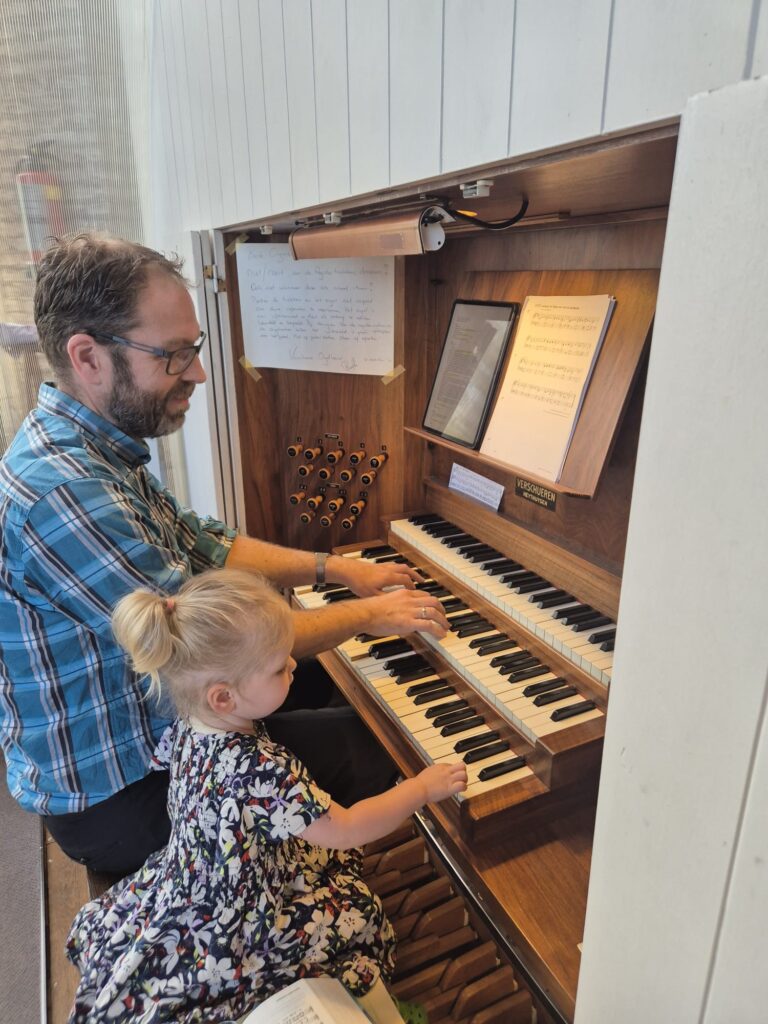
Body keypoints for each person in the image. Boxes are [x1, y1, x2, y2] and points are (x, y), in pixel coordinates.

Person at [0, 232, 450, 876]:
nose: (199, 374)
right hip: (126, 791)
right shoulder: (63, 492)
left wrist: (334, 569)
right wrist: (369, 615)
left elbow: (203, 540)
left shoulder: (94, 448)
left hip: (177, 719)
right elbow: (214, 642)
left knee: (369, 685)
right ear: (88, 357)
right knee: (384, 742)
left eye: (196, 349)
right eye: (175, 355)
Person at [66, 568, 466, 1023]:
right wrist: (420, 788)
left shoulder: (188, 726)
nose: (293, 665)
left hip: (194, 877)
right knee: (357, 913)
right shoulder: (260, 771)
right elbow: (348, 828)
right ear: (223, 698)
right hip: (238, 922)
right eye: (278, 667)